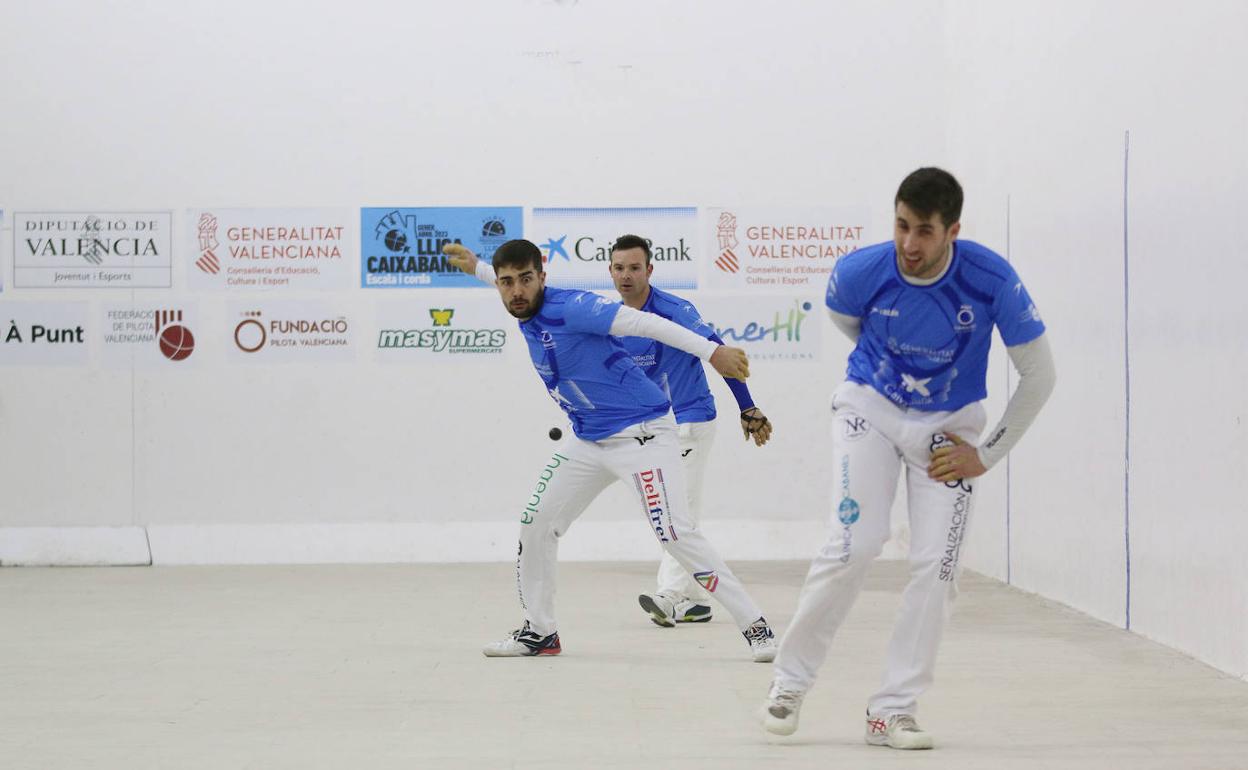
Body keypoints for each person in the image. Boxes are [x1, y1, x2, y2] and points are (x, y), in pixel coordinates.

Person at [760, 168, 1056, 748]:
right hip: (868, 410)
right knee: (854, 543)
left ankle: (891, 710)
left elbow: (1040, 376)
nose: (909, 245)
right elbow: (849, 323)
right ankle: (789, 683)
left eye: (924, 231)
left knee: (938, 568)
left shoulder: (991, 279)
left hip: (949, 433)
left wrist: (986, 454)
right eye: (901, 226)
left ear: (953, 231)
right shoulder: (858, 272)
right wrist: (887, 376)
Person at [443, 239, 778, 662]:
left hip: (644, 435)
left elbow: (645, 325)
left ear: (542, 278)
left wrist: (714, 353)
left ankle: (757, 627)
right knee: (536, 522)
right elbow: (506, 285)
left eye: (525, 280)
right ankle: (540, 632)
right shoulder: (519, 300)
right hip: (588, 439)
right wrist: (478, 268)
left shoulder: (574, 308)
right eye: (506, 283)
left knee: (674, 532)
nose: (516, 291)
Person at [607, 234, 772, 627]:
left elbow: (721, 354)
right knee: (676, 513)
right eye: (619, 268)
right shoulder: (616, 320)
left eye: (634, 268)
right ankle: (694, 599)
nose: (626, 276)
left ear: (649, 270)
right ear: (610, 272)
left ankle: (670, 594)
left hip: (691, 422)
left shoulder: (674, 310)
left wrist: (747, 406)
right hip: (655, 429)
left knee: (675, 514)